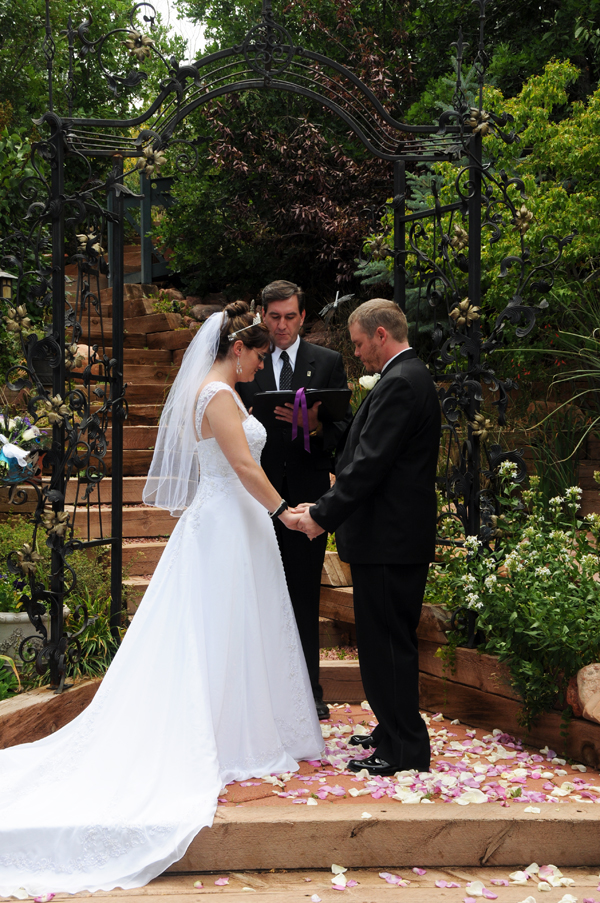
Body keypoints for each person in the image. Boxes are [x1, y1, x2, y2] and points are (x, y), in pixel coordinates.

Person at [0, 303, 323, 897]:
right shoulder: (218, 397)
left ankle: (241, 726)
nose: (260, 364)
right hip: (227, 526)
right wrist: (287, 512)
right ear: (237, 350)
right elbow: (245, 467)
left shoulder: (219, 393)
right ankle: (223, 736)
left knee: (239, 627)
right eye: (255, 355)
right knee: (219, 628)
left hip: (235, 525)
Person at [297, 299, 441, 776]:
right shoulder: (407, 377)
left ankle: (404, 749)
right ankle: (390, 729)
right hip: (391, 538)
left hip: (389, 539)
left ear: (381, 334)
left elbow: (370, 465)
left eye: (359, 343)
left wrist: (322, 515)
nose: (357, 354)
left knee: (387, 645)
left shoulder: (401, 382)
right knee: (386, 641)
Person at [237, 281, 352, 721]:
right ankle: (259, 694)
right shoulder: (247, 361)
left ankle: (309, 692)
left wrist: (315, 425)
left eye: (289, 317)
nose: (281, 325)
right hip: (254, 499)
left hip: (305, 500)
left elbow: (345, 431)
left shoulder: (327, 363)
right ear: (261, 316)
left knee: (304, 597)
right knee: (256, 594)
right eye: (273, 317)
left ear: (304, 317)